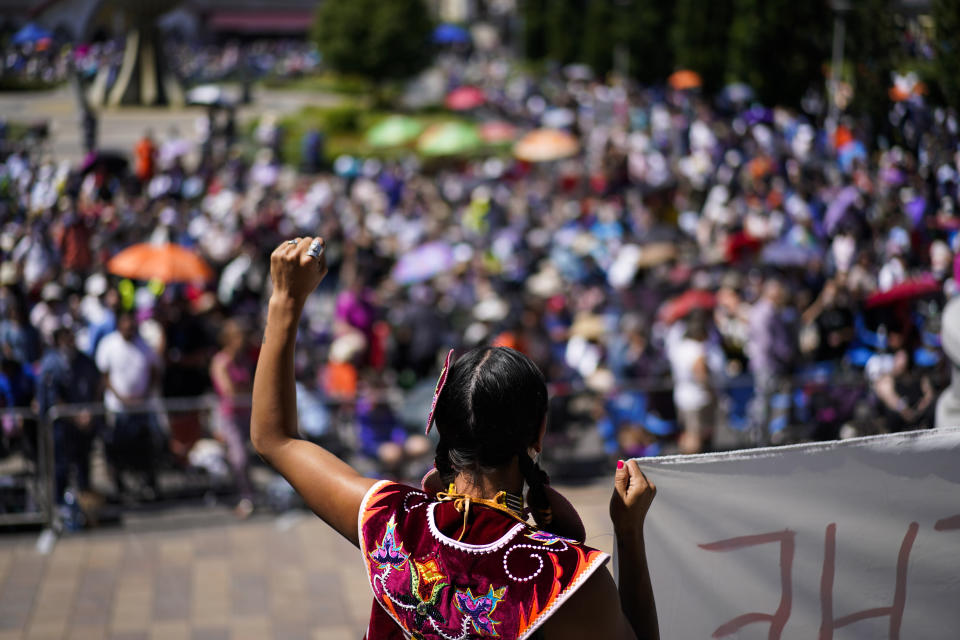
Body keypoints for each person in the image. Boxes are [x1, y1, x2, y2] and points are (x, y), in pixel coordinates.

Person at [252, 237, 659, 640]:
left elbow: (275, 439)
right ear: (539, 432)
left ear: (443, 428)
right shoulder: (566, 579)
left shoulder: (394, 522)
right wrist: (627, 533)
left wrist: (285, 301)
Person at [95, 310, 162, 499]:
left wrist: (145, 396)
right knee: (118, 449)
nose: (129, 328)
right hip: (118, 409)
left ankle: (147, 485)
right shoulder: (109, 344)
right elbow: (105, 375)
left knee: (144, 449)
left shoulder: (144, 346)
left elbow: (154, 371)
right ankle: (120, 486)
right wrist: (121, 398)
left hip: (141, 408)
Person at [209, 319, 255, 517]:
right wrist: (244, 391)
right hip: (230, 418)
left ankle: (250, 493)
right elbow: (228, 391)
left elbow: (254, 387)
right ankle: (245, 497)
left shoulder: (245, 361)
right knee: (239, 458)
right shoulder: (221, 362)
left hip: (248, 414)